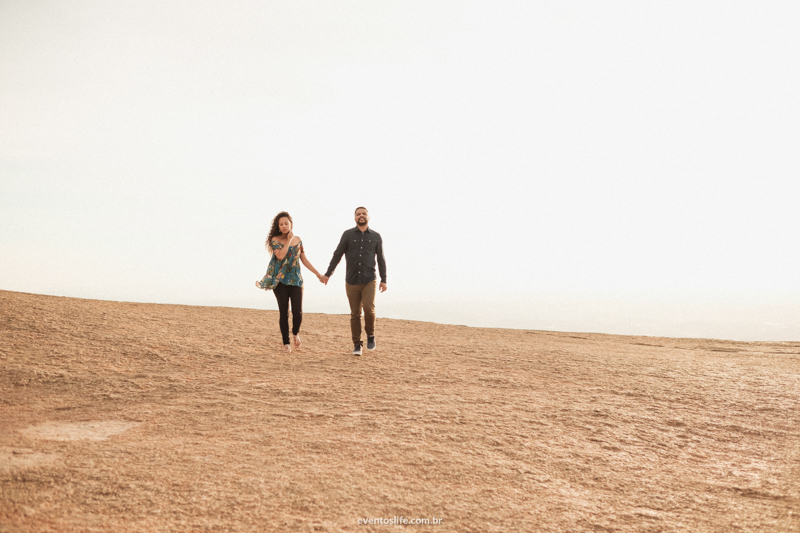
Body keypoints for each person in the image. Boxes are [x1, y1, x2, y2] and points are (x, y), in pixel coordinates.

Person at [321, 206, 387, 356]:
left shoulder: (376, 237)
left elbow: (381, 259)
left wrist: (384, 280)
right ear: (355, 217)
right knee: (355, 314)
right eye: (358, 214)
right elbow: (337, 255)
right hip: (351, 280)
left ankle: (371, 334)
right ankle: (357, 344)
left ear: (368, 217)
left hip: (370, 279)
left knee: (369, 309)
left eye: (364, 214)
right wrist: (328, 274)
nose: (361, 216)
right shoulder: (348, 235)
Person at [256, 211, 324, 353]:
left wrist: (318, 274)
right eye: (281, 224)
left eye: (286, 223)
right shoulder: (275, 240)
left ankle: (295, 333)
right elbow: (280, 256)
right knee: (284, 312)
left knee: (298, 312)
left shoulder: (298, 240)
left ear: (291, 224)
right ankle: (286, 343)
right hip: (280, 281)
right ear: (278, 227)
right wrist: (288, 240)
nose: (284, 226)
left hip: (296, 280)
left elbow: (304, 260)